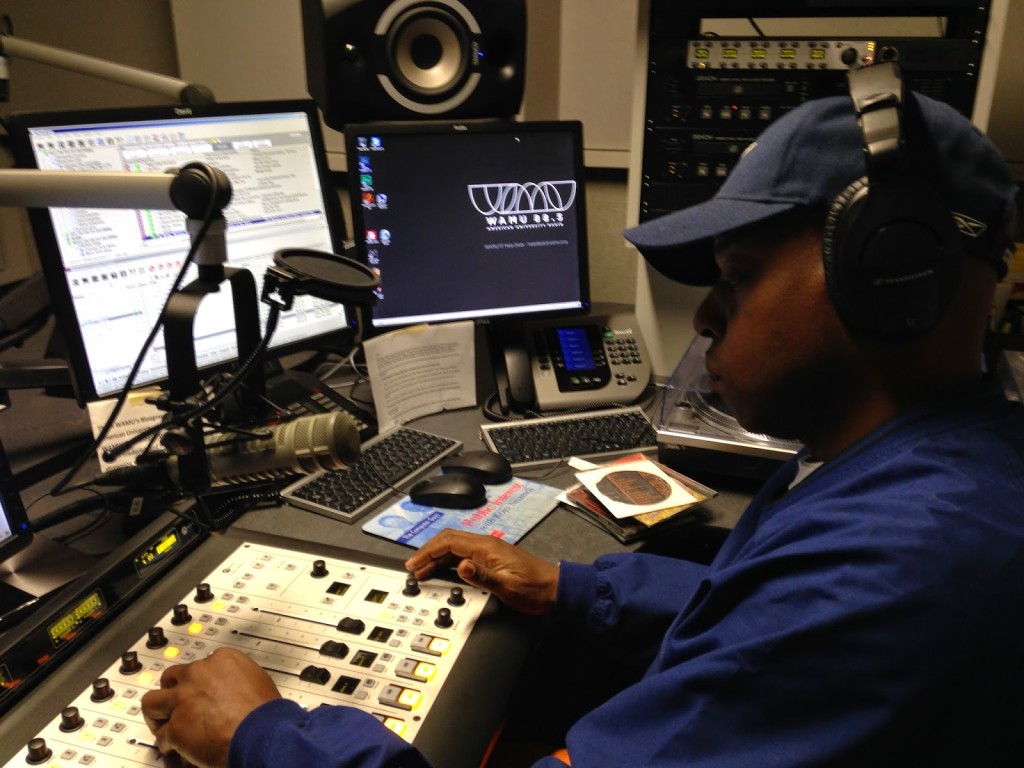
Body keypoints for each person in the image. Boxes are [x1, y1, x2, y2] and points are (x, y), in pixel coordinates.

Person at [140, 68, 1024, 767]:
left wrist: (264, 736)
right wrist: (577, 588)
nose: (707, 319)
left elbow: (803, 619)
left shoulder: (899, 565)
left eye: (737, 276)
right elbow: (757, 611)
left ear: (889, 275)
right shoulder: (913, 468)